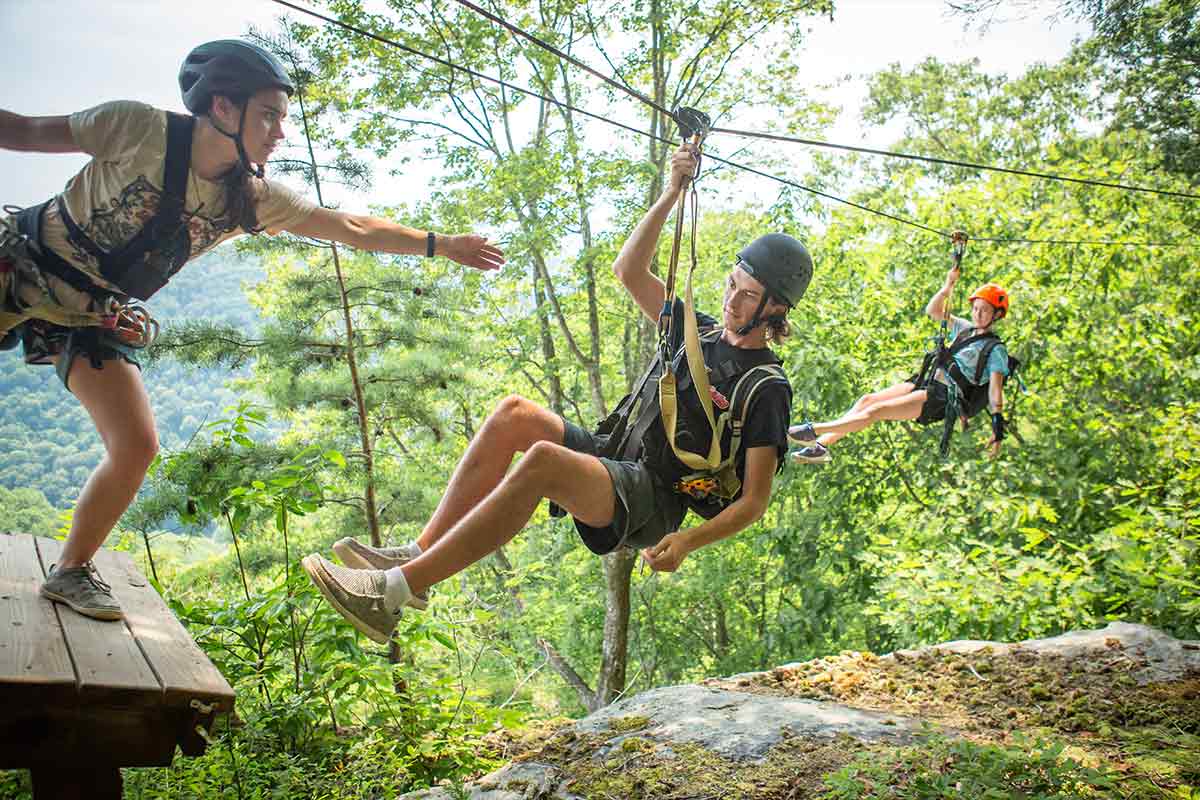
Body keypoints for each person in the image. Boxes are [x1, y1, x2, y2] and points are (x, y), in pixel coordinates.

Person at [0, 39, 504, 621]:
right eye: (269, 116)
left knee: (137, 446)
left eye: (282, 119)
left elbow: (351, 226)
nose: (279, 133)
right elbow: (30, 132)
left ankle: (69, 572)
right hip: (21, 262)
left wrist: (441, 247)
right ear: (222, 108)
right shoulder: (136, 128)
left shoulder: (253, 198)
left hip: (92, 311)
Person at [301, 145, 813, 645]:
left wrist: (686, 541)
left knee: (544, 462)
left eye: (747, 295)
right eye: (731, 285)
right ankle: (415, 554)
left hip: (653, 500)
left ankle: (391, 594)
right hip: (618, 457)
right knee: (514, 415)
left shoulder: (765, 388)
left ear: (776, 311)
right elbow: (629, 270)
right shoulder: (694, 331)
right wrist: (671, 193)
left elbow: (753, 501)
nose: (731, 300)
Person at [789, 266, 1011, 463]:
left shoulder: (995, 350)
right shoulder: (964, 328)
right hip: (925, 380)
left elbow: (995, 390)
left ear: (997, 315)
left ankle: (814, 430)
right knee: (867, 400)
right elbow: (933, 311)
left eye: (985, 310)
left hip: (942, 396)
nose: (978, 314)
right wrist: (947, 286)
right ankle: (821, 446)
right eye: (976, 308)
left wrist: (997, 425)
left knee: (876, 411)